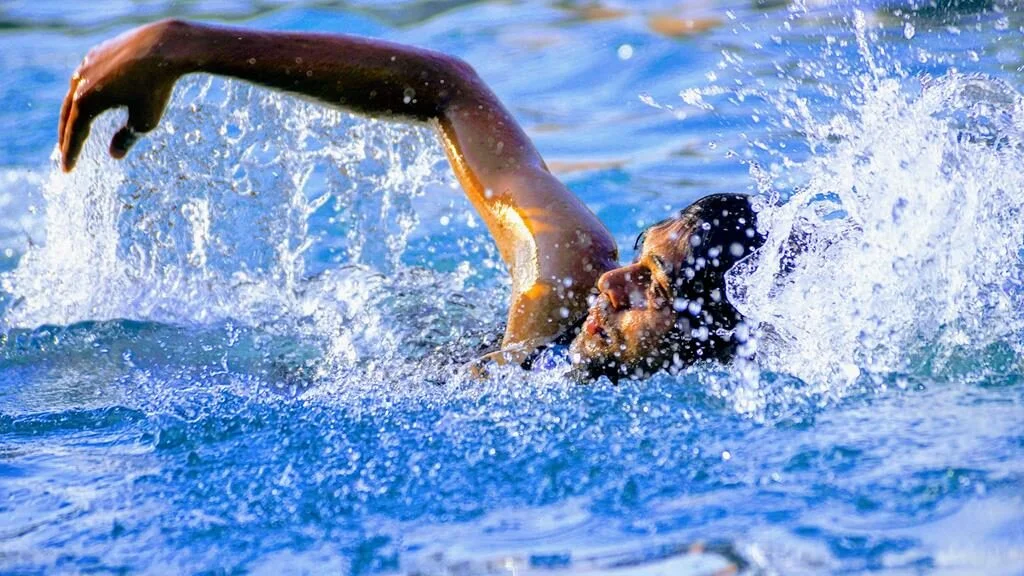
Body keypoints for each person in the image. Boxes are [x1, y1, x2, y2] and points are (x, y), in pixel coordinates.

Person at [57, 19, 765, 382]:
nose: (615, 284)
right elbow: (447, 88)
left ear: (710, 336)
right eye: (638, 259)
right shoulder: (563, 287)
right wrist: (186, 45)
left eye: (654, 286)